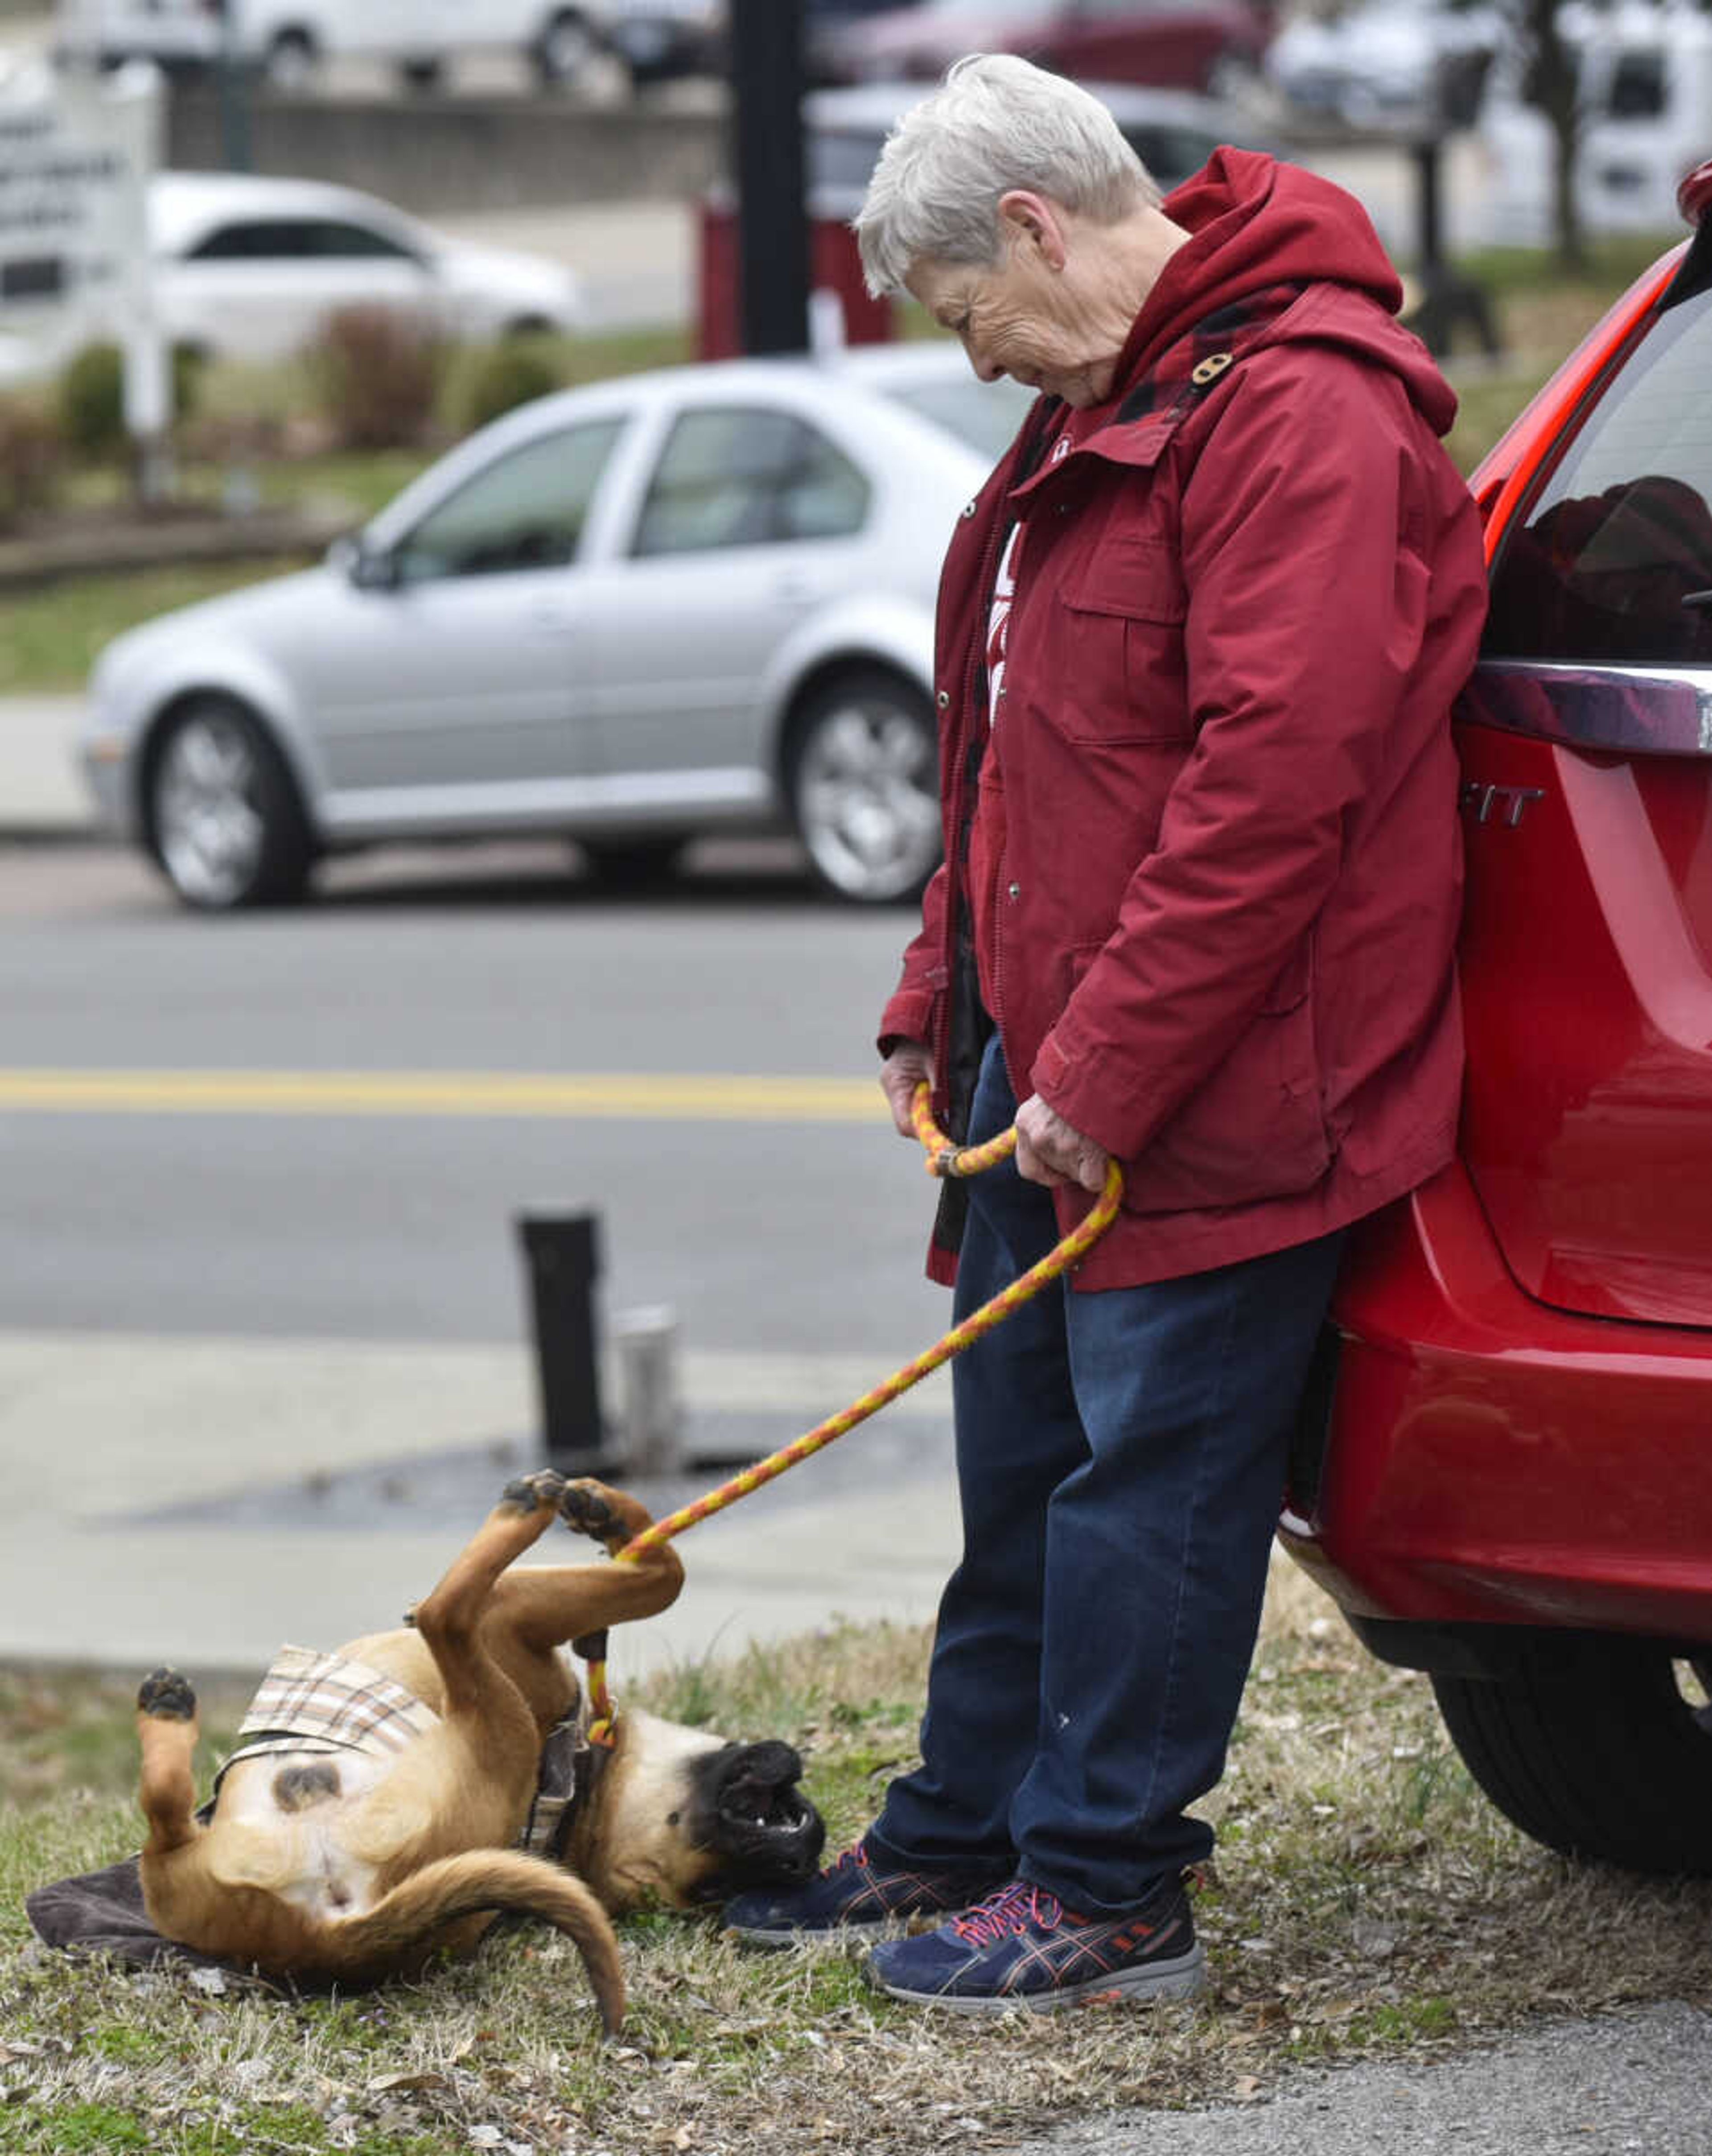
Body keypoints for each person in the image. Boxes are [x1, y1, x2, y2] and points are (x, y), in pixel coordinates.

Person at [722, 52, 1488, 2012]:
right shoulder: (1114, 396)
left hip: (1217, 1088)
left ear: (1040, 232)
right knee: (1027, 1474)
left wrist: (1103, 1074)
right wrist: (940, 1005)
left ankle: (1106, 1889)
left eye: (968, 313)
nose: (974, 363)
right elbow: (1016, 756)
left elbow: (1273, 791)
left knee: (1150, 1491)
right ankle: (965, 1830)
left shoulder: (1299, 413)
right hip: (1051, 1066)